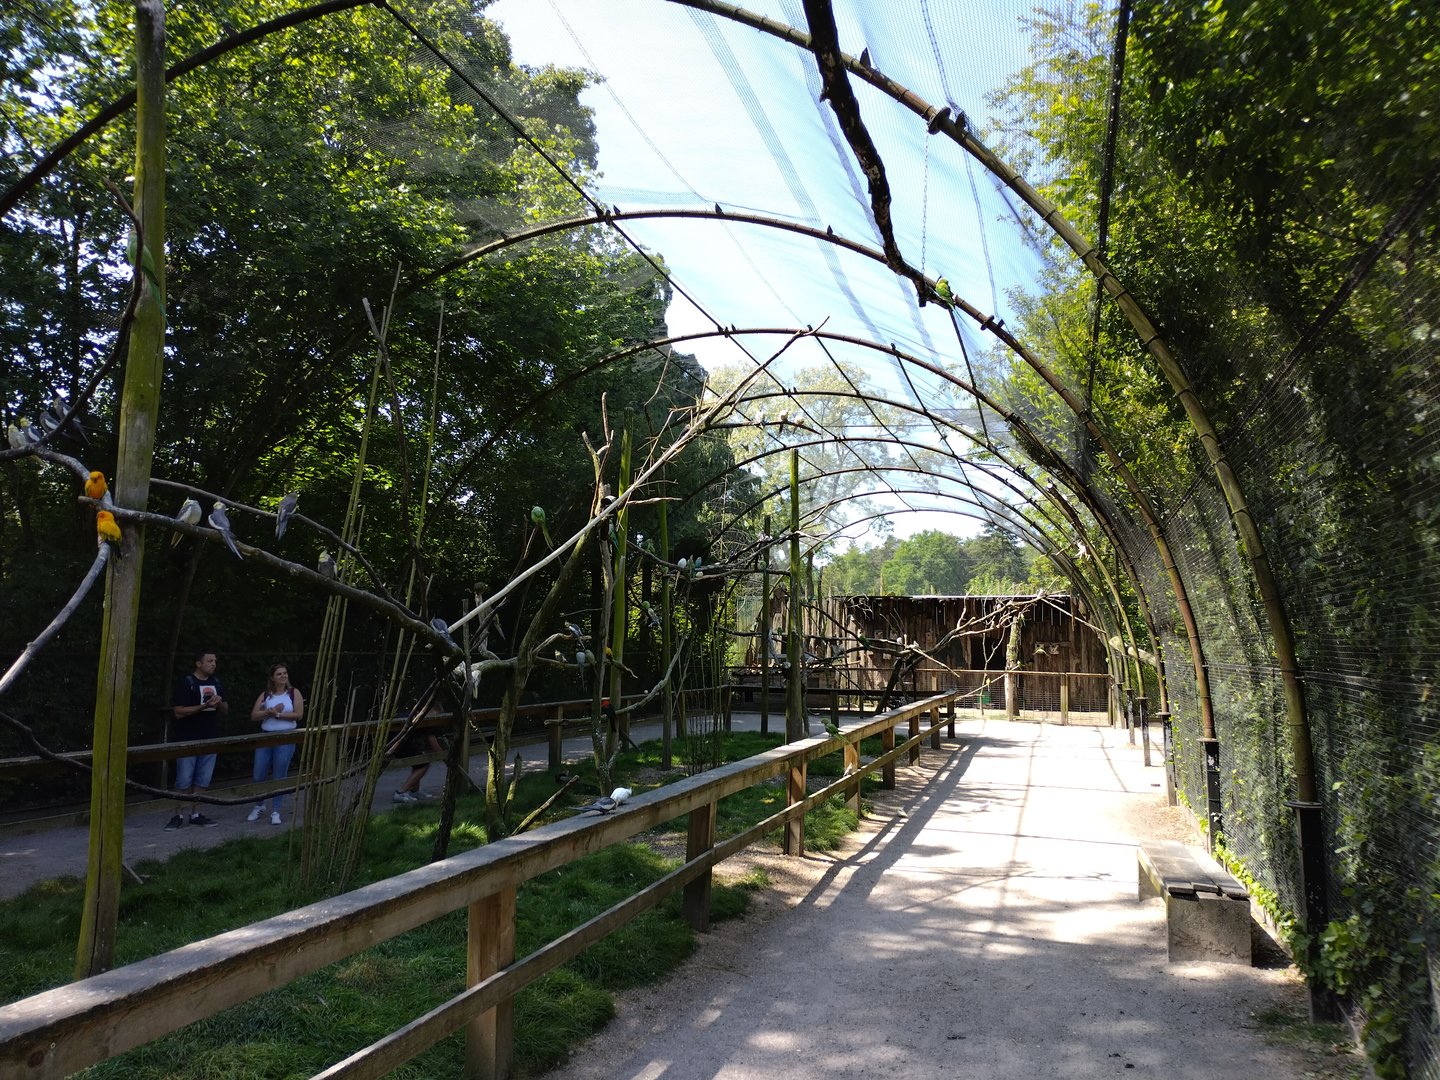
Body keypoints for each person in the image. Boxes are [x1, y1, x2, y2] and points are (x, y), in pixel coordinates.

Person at [166, 648, 227, 830]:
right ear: (198, 663)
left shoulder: (216, 682)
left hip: (210, 737)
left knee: (203, 779)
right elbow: (178, 712)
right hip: (188, 738)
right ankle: (178, 815)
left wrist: (219, 703)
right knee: (184, 779)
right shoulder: (187, 683)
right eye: (209, 661)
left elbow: (225, 710)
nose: (213, 664)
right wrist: (203, 706)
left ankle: (196, 814)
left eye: (215, 661)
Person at [246, 663, 304, 825]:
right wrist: (268, 712)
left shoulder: (293, 693)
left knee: (279, 774)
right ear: (272, 678)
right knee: (259, 774)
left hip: (286, 737)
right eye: (279, 674)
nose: (283, 676)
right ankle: (259, 805)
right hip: (266, 737)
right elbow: (254, 715)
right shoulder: (266, 695)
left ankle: (276, 810)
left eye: (285, 673)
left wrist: (278, 714)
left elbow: (298, 715)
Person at [393, 702, 443, 803]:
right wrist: (444, 755)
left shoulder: (414, 714)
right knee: (423, 765)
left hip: (396, 743)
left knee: (419, 763)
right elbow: (432, 740)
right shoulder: (423, 719)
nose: (435, 718)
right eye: (435, 714)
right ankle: (400, 792)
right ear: (430, 710)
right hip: (398, 744)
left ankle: (414, 792)